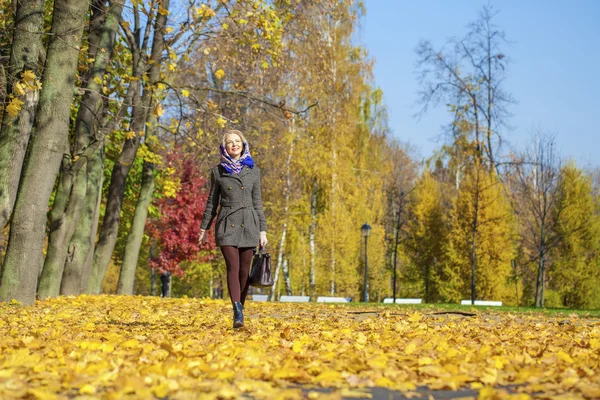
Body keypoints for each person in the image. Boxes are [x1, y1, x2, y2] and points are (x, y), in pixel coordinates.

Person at [198, 130, 268, 328]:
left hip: (250, 223)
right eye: (230, 142)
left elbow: (258, 202)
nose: (234, 145)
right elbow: (212, 203)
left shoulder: (253, 171)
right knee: (232, 267)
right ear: (225, 147)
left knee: (245, 271)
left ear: (243, 145)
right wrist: (204, 228)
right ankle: (237, 310)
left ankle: (241, 310)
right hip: (227, 224)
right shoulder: (217, 171)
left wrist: (263, 230)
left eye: (237, 141)